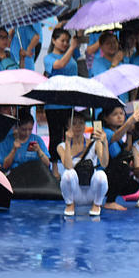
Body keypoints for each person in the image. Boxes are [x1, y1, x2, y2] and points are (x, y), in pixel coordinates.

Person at [57, 110, 109, 216]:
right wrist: (67, 141)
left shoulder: (94, 143)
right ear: (68, 127)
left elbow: (104, 164)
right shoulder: (61, 146)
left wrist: (104, 143)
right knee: (68, 174)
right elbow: (68, 166)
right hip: (75, 192)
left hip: (91, 191)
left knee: (101, 175)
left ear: (85, 125)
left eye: (81, 123)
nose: (78, 126)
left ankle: (97, 204)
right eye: (74, 123)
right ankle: (70, 204)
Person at [43, 28, 80, 176]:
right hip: (53, 103)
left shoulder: (73, 55)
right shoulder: (49, 58)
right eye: (62, 40)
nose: (65, 43)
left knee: (70, 134)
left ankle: (69, 164)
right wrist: (72, 47)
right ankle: (55, 166)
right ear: (53, 40)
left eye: (67, 41)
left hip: (69, 101)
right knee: (55, 135)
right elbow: (59, 65)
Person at [100, 104, 139, 210]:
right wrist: (129, 122)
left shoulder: (116, 131)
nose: (120, 117)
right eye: (115, 114)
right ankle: (110, 201)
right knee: (122, 167)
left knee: (133, 185)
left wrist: (129, 132)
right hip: (103, 173)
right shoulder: (104, 132)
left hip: (112, 172)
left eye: (122, 114)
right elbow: (115, 137)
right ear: (105, 117)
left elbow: (126, 150)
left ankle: (107, 193)